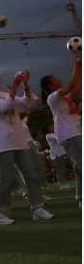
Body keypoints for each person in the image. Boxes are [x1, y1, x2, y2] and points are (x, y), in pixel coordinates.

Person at [0, 68, 54, 224]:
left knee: (31, 175)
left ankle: (37, 208)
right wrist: (14, 85)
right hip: (3, 142)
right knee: (5, 179)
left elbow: (31, 103)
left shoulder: (7, 93)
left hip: (19, 140)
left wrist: (25, 86)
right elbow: (4, 107)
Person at [42, 58, 82, 204]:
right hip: (69, 134)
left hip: (74, 132)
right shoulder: (53, 97)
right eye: (55, 79)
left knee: (79, 167)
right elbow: (72, 86)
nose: (59, 80)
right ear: (50, 86)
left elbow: (77, 89)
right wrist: (78, 65)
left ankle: (80, 197)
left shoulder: (66, 97)